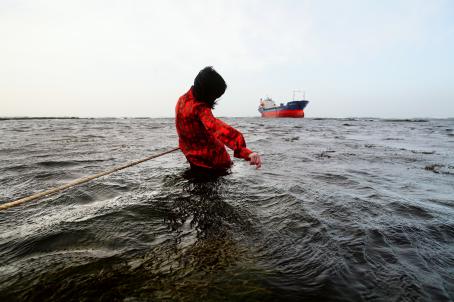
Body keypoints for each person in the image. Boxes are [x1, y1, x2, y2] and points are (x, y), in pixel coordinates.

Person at [175, 66, 262, 172]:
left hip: (193, 160)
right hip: (215, 164)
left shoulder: (181, 101)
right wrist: (246, 152)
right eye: (215, 96)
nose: (215, 99)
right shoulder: (200, 107)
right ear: (207, 93)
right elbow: (216, 127)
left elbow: (185, 133)